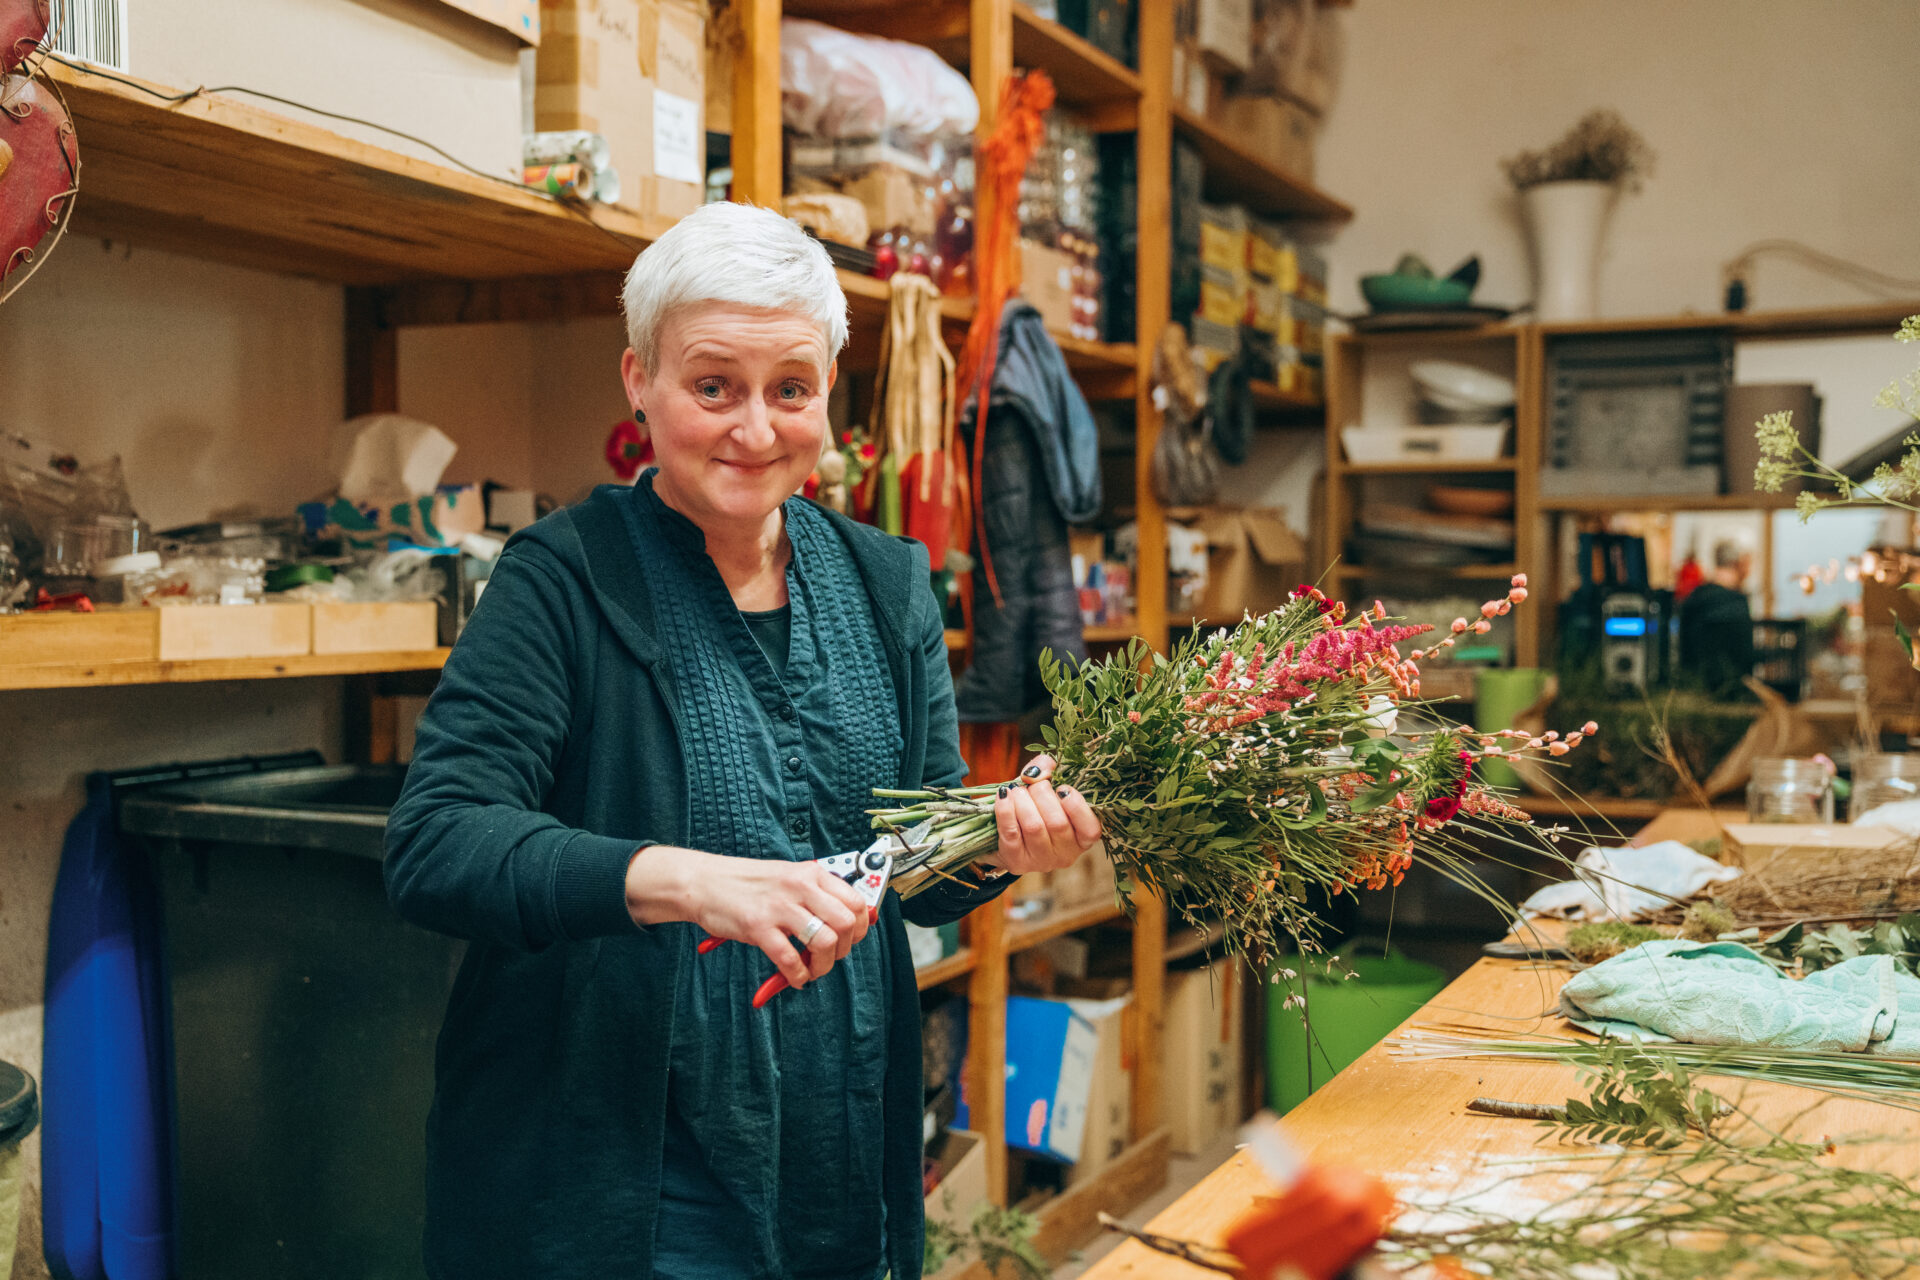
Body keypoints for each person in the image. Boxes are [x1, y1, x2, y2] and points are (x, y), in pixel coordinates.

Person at [383, 202, 1102, 1280]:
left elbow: (919, 860)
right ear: (639, 380)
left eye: (791, 389)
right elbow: (437, 841)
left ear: (827, 393)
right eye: (712, 384)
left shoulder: (887, 579)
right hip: (626, 1162)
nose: (755, 430)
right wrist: (689, 881)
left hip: (839, 1137)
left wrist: (999, 838)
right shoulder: (562, 577)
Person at [1677, 538, 1756, 699]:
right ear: (1738, 563)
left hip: (1694, 692)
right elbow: (1744, 656)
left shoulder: (1694, 598)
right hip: (1729, 695)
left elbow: (1683, 650)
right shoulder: (1737, 602)